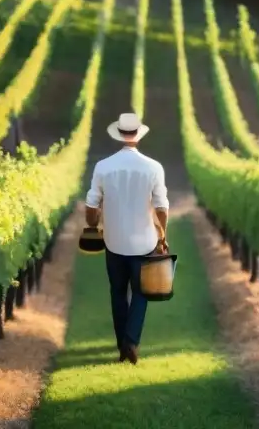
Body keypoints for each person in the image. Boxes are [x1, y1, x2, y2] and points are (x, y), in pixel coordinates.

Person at [85, 112, 169, 365]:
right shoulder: (153, 167)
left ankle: (122, 344)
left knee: (118, 292)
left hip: (114, 241)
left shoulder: (103, 167)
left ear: (120, 134)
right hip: (145, 241)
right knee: (142, 292)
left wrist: (93, 222)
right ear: (138, 135)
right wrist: (163, 234)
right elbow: (162, 207)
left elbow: (91, 206)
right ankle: (131, 342)